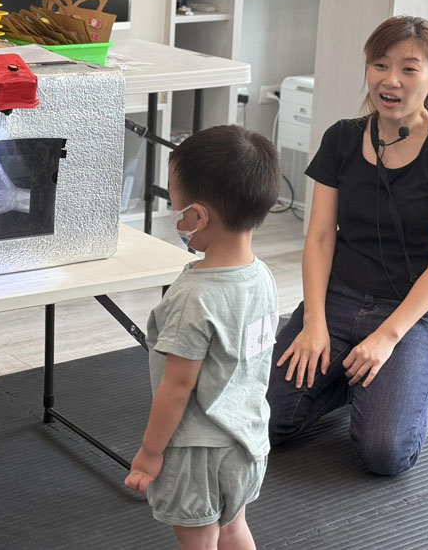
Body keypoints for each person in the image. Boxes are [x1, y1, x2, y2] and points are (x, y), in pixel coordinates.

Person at [266, 15, 428, 476]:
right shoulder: (342, 138)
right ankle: (352, 382)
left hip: (411, 309)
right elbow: (320, 237)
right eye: (380, 65)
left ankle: (399, 382)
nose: (391, 80)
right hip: (339, 296)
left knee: (384, 454)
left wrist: (386, 338)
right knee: (264, 421)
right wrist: (314, 323)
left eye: (409, 69)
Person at [125, 125, 281, 550]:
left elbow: (177, 387)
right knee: (233, 528)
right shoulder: (263, 277)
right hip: (248, 441)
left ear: (197, 217)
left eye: (176, 207)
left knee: (198, 541)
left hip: (197, 453)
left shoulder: (193, 297)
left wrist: (150, 452)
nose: (175, 217)